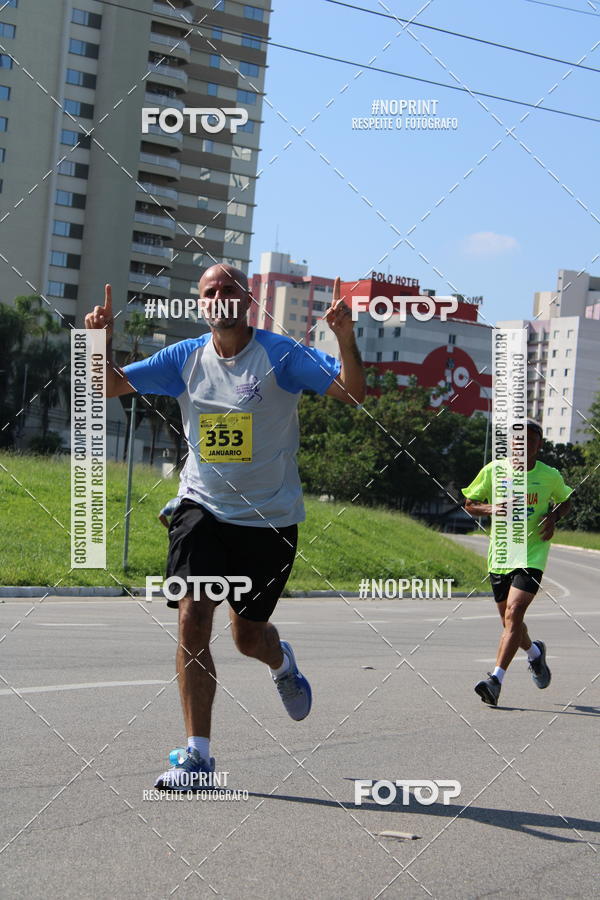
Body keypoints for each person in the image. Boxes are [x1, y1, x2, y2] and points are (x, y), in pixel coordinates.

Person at [85, 265, 365, 788]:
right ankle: (199, 756)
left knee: (248, 638)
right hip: (201, 507)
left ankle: (281, 665)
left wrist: (345, 339)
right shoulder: (185, 357)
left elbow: (352, 393)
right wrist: (98, 340)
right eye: (209, 292)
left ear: (247, 297)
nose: (219, 297)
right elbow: (108, 386)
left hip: (270, 519)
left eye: (228, 289)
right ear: (202, 304)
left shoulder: (281, 355)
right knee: (192, 618)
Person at [462, 419, 573, 706]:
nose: (524, 445)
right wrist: (491, 508)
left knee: (514, 611)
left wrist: (553, 516)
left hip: (532, 554)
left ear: (539, 445)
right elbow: (470, 503)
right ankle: (535, 653)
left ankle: (495, 680)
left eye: (531, 440)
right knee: (510, 622)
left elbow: (566, 500)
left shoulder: (549, 476)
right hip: (500, 556)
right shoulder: (494, 471)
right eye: (518, 440)